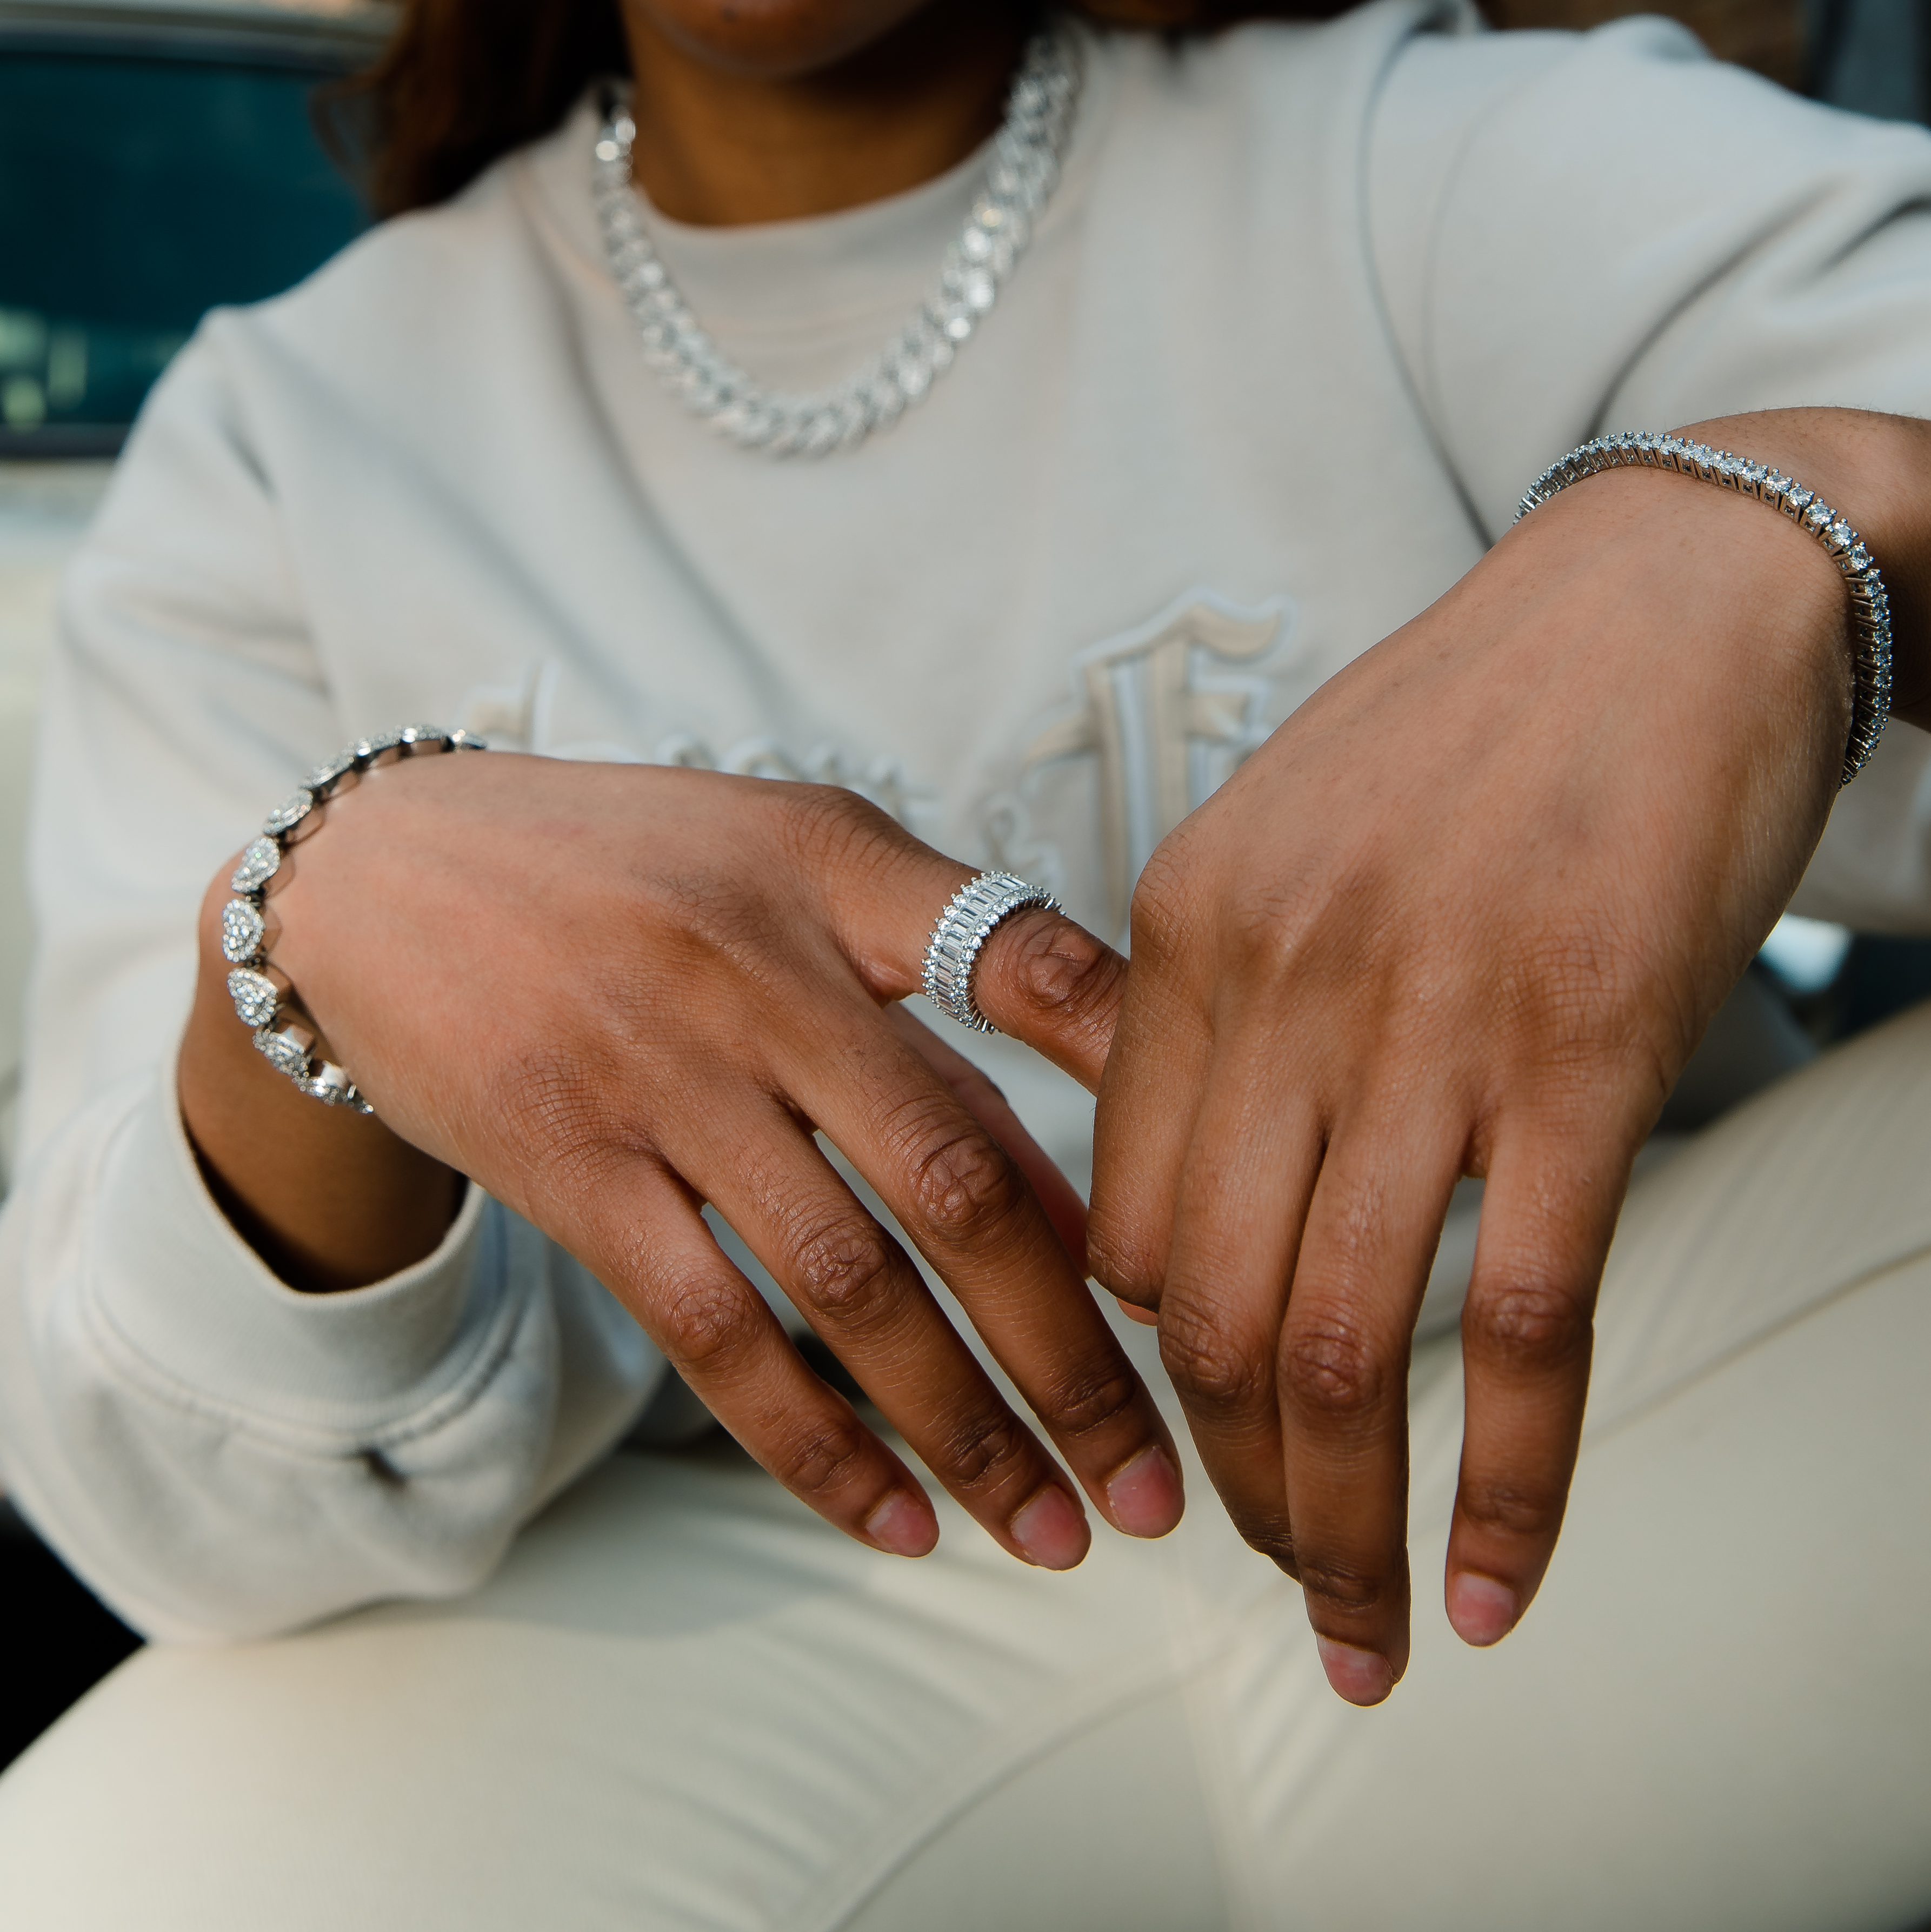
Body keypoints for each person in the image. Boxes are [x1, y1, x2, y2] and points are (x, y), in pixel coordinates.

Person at [1, 0, 1929, 1922]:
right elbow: (161, 1491)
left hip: (1618, 1456)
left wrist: (1790, 512)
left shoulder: (1420, 158)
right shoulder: (288, 434)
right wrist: (311, 938)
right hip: (739, 1620)